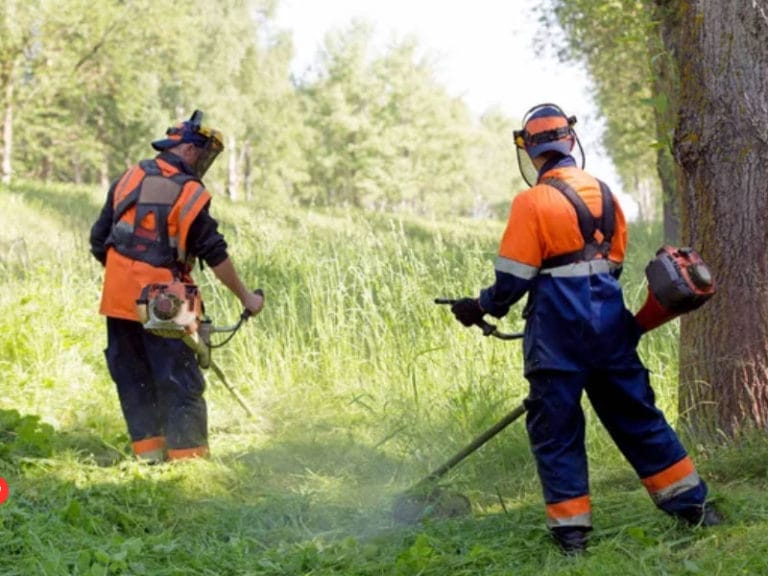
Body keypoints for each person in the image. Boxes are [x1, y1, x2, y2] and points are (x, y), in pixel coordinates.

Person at [450, 103, 721, 555]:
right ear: (570, 142)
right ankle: (696, 509)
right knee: (638, 419)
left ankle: (572, 537)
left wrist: (477, 306)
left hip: (557, 336)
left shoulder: (532, 201)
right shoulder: (606, 194)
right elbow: (610, 265)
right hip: (611, 327)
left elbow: (512, 283)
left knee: (557, 431)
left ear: (532, 152)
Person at [89, 110, 263, 463]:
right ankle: (189, 468)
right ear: (186, 149)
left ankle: (149, 460)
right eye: (203, 154)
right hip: (164, 303)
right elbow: (214, 253)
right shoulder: (189, 192)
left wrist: (129, 273)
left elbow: (98, 241)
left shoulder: (129, 177)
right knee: (179, 381)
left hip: (119, 298)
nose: (204, 162)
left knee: (134, 379)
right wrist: (248, 298)